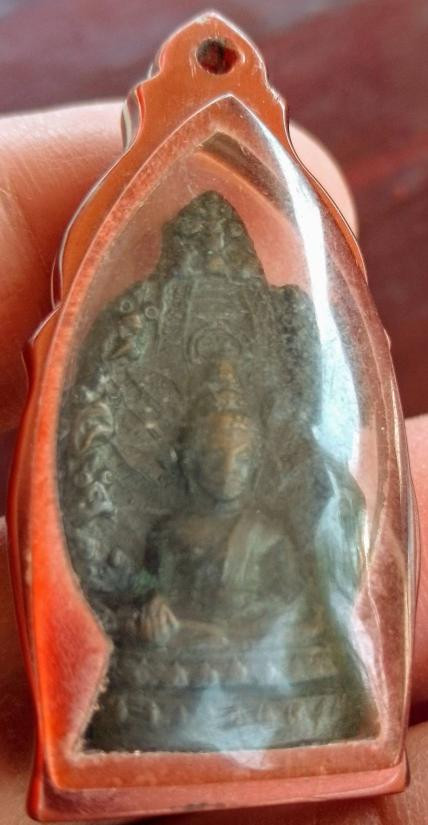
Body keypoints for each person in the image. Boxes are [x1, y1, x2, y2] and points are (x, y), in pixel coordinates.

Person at [0, 103, 427, 824]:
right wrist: (150, 614)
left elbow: (295, 606)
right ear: (184, 457)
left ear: (260, 456)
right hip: (170, 678)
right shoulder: (169, 533)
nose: (228, 466)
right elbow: (142, 597)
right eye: (214, 453)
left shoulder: (271, 531)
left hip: (274, 671)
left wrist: (245, 634)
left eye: (240, 453)